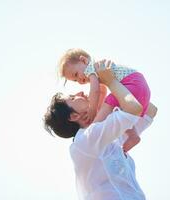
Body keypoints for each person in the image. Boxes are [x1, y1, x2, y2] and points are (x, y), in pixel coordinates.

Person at [44, 60, 157, 199]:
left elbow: (150, 110)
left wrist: (112, 80)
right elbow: (134, 108)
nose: (80, 91)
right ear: (73, 116)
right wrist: (111, 81)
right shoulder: (85, 140)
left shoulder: (108, 139)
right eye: (73, 97)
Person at [58, 48, 151, 152]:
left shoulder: (91, 69)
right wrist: (98, 105)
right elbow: (102, 90)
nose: (79, 80)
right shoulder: (99, 71)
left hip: (132, 84)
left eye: (76, 74)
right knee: (116, 109)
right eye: (75, 80)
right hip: (140, 88)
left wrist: (92, 111)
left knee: (110, 102)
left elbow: (96, 91)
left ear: (83, 60)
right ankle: (133, 135)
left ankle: (93, 129)